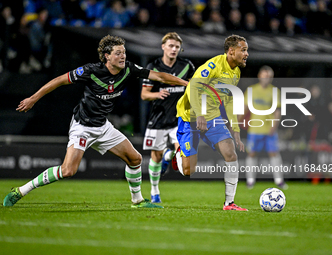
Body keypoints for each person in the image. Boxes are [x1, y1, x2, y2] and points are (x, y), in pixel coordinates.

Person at [3, 34, 188, 208]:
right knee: (68, 170)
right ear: (107, 56)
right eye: (118, 53)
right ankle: (21, 191)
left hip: (103, 126)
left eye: (124, 52)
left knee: (135, 158)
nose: (123, 56)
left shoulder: (129, 69)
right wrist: (33, 98)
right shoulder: (91, 71)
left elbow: (160, 76)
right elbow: (60, 80)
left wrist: (186, 83)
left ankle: (137, 200)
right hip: (83, 126)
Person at [172, 34, 248, 211]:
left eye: (247, 50)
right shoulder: (213, 66)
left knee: (231, 153)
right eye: (243, 50)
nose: (247, 54)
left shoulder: (235, 72)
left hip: (212, 117)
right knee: (189, 170)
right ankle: (177, 151)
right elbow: (192, 87)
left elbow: (228, 100)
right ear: (231, 51)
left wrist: (235, 130)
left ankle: (229, 203)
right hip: (190, 116)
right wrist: (198, 114)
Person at [141, 32, 195, 203]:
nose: (174, 49)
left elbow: (194, 89)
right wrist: (157, 94)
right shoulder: (153, 66)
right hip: (158, 119)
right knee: (155, 157)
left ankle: (170, 155)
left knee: (181, 152)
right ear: (163, 47)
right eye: (171, 46)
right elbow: (144, 94)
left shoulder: (186, 66)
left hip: (179, 118)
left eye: (177, 47)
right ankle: (154, 191)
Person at [240, 65, 288, 190]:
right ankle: (250, 181)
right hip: (254, 129)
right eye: (265, 76)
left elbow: (277, 111)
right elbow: (245, 108)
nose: (267, 78)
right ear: (259, 76)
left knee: (274, 154)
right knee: (251, 154)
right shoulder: (252, 90)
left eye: (269, 77)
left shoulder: (274, 91)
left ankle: (279, 181)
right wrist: (236, 123)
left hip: (269, 130)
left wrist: (274, 126)